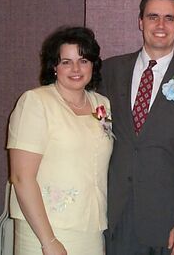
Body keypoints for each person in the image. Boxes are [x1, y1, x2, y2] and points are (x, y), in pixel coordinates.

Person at [99, 0, 174, 255]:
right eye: (153, 17)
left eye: (169, 18)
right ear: (140, 22)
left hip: (167, 221)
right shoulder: (109, 71)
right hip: (115, 214)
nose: (160, 25)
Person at [7, 26, 113, 255]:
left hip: (91, 229)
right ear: (54, 66)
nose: (76, 68)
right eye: (66, 62)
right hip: (44, 230)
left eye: (83, 60)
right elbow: (20, 177)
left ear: (93, 65)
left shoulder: (101, 104)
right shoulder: (36, 102)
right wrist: (48, 241)